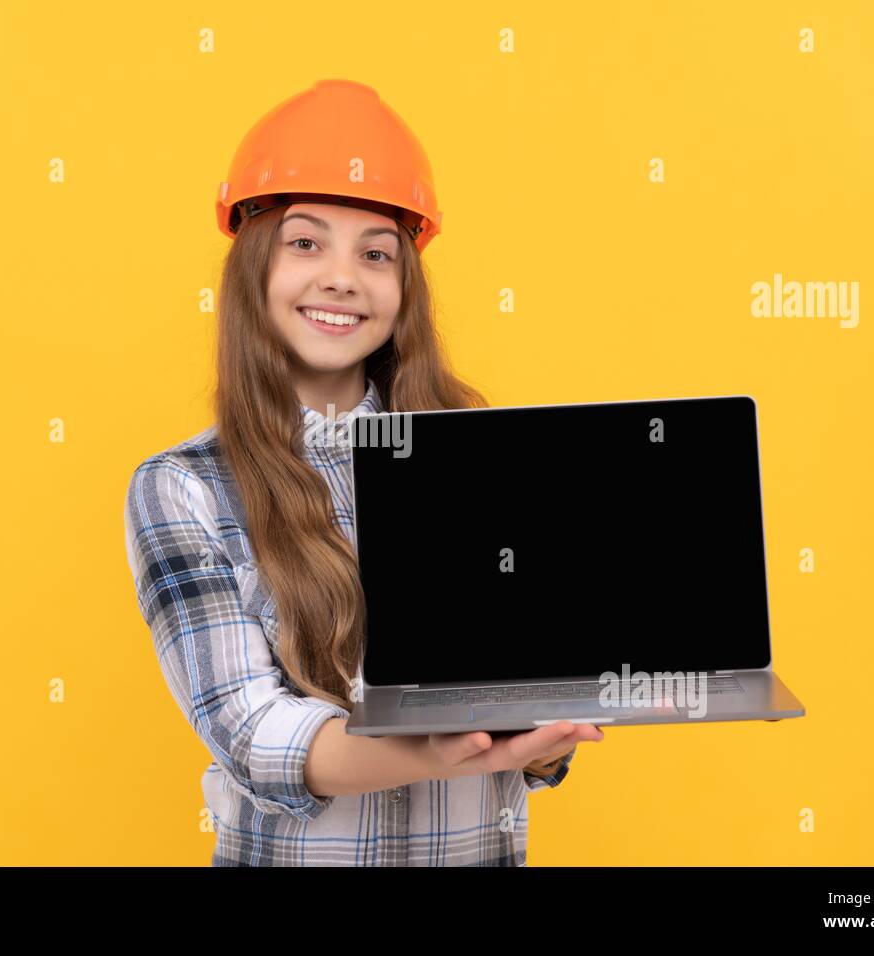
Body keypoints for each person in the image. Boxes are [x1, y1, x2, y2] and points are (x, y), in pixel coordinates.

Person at [124, 79, 604, 866]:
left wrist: (549, 731)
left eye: (375, 252)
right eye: (306, 242)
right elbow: (253, 734)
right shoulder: (184, 488)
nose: (343, 277)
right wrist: (445, 749)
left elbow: (534, 706)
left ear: (403, 289)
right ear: (253, 269)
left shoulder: (485, 460)